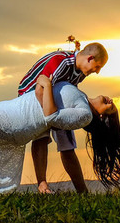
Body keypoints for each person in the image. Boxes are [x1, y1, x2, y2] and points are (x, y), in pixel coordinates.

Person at [0, 76, 120, 193]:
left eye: (110, 108)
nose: (111, 101)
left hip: (19, 119)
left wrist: (45, 84)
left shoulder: (85, 115)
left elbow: (51, 116)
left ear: (101, 117)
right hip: (16, 108)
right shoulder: (81, 95)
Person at [17, 39, 108, 193]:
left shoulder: (80, 73)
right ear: (90, 58)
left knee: (67, 142)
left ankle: (82, 191)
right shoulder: (61, 62)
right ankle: (42, 185)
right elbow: (40, 89)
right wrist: (52, 118)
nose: (97, 71)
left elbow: (67, 93)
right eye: (97, 66)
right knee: (42, 135)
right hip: (31, 95)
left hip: (53, 100)